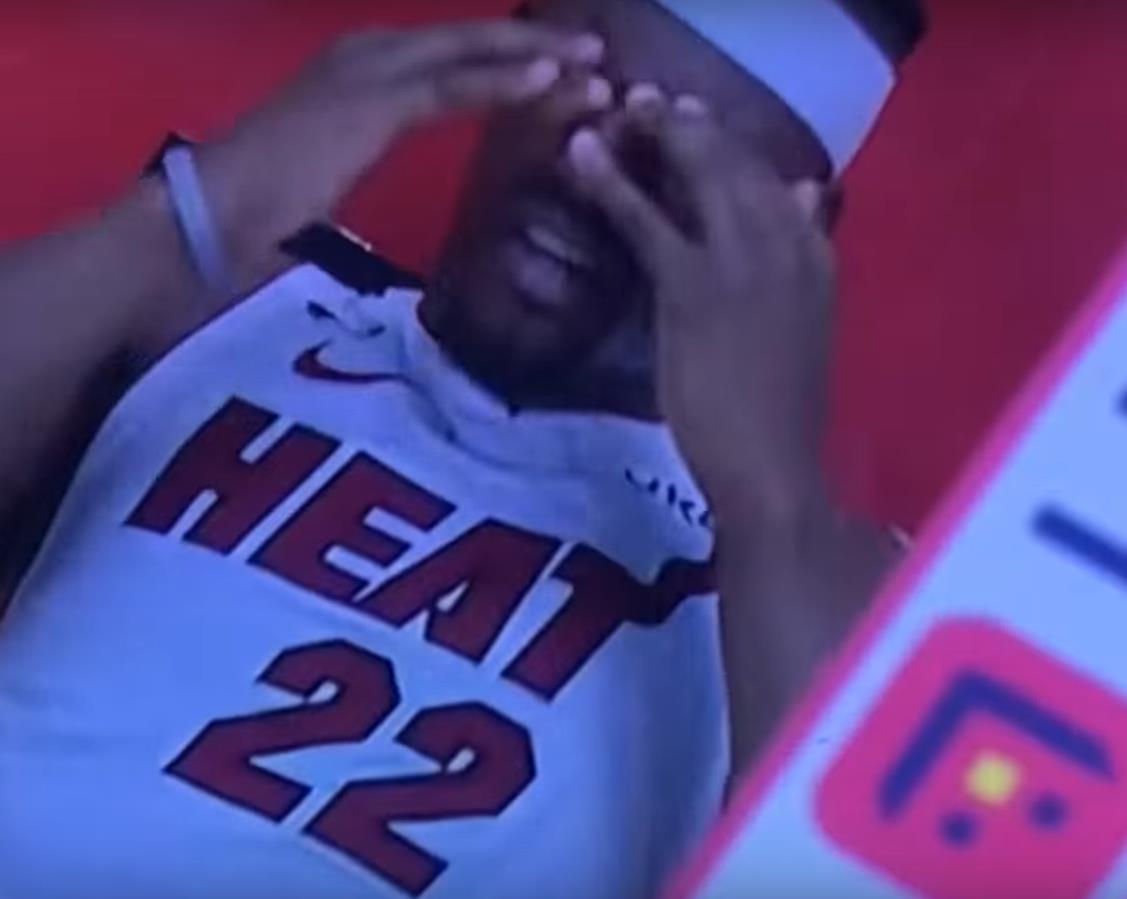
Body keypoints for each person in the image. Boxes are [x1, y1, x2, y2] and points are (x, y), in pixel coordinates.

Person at [0, 0, 926, 897]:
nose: (584, 175)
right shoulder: (232, 295)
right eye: (577, 87)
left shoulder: (825, 580)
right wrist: (187, 219)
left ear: (794, 239)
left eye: (678, 162)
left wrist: (768, 497)